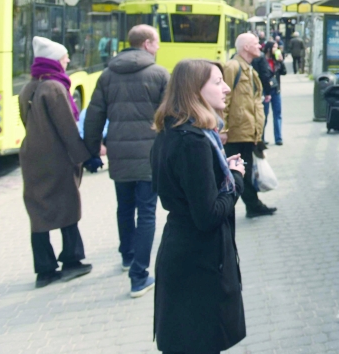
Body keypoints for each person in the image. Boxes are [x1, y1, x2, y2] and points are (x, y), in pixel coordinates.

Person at [151, 59, 247, 354]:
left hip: (185, 256)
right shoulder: (193, 141)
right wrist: (236, 179)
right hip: (197, 266)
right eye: (218, 82)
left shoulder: (175, 130)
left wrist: (220, 173)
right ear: (195, 90)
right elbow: (208, 215)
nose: (226, 88)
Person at [84, 24, 169, 298]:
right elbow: (170, 115)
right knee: (146, 212)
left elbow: (94, 115)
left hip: (119, 151)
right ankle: (139, 276)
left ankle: (127, 256)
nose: (158, 47)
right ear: (146, 44)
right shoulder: (159, 74)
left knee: (124, 206)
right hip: (149, 153)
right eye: (156, 42)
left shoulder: (107, 75)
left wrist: (92, 151)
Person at [19, 37, 99, 288]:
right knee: (67, 206)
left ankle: (44, 269)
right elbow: (67, 129)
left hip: (32, 156)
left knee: (38, 212)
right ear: (54, 60)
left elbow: (26, 121)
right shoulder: (54, 88)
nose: (67, 60)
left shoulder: (27, 88)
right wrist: (86, 157)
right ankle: (72, 261)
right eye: (64, 57)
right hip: (57, 158)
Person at [223, 33, 277, 218]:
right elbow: (224, 101)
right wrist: (222, 130)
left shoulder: (249, 69)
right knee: (238, 174)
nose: (260, 47)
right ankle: (239, 208)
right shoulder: (232, 67)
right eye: (256, 44)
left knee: (244, 174)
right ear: (246, 47)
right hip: (236, 134)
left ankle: (253, 206)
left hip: (247, 133)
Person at [253, 41, 284, 146]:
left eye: (277, 47)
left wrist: (281, 61)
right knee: (264, 114)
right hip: (265, 90)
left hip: (275, 89)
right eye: (274, 47)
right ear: (269, 48)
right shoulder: (260, 59)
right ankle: (261, 137)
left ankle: (278, 138)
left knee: (277, 114)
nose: (276, 49)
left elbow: (284, 72)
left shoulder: (276, 60)